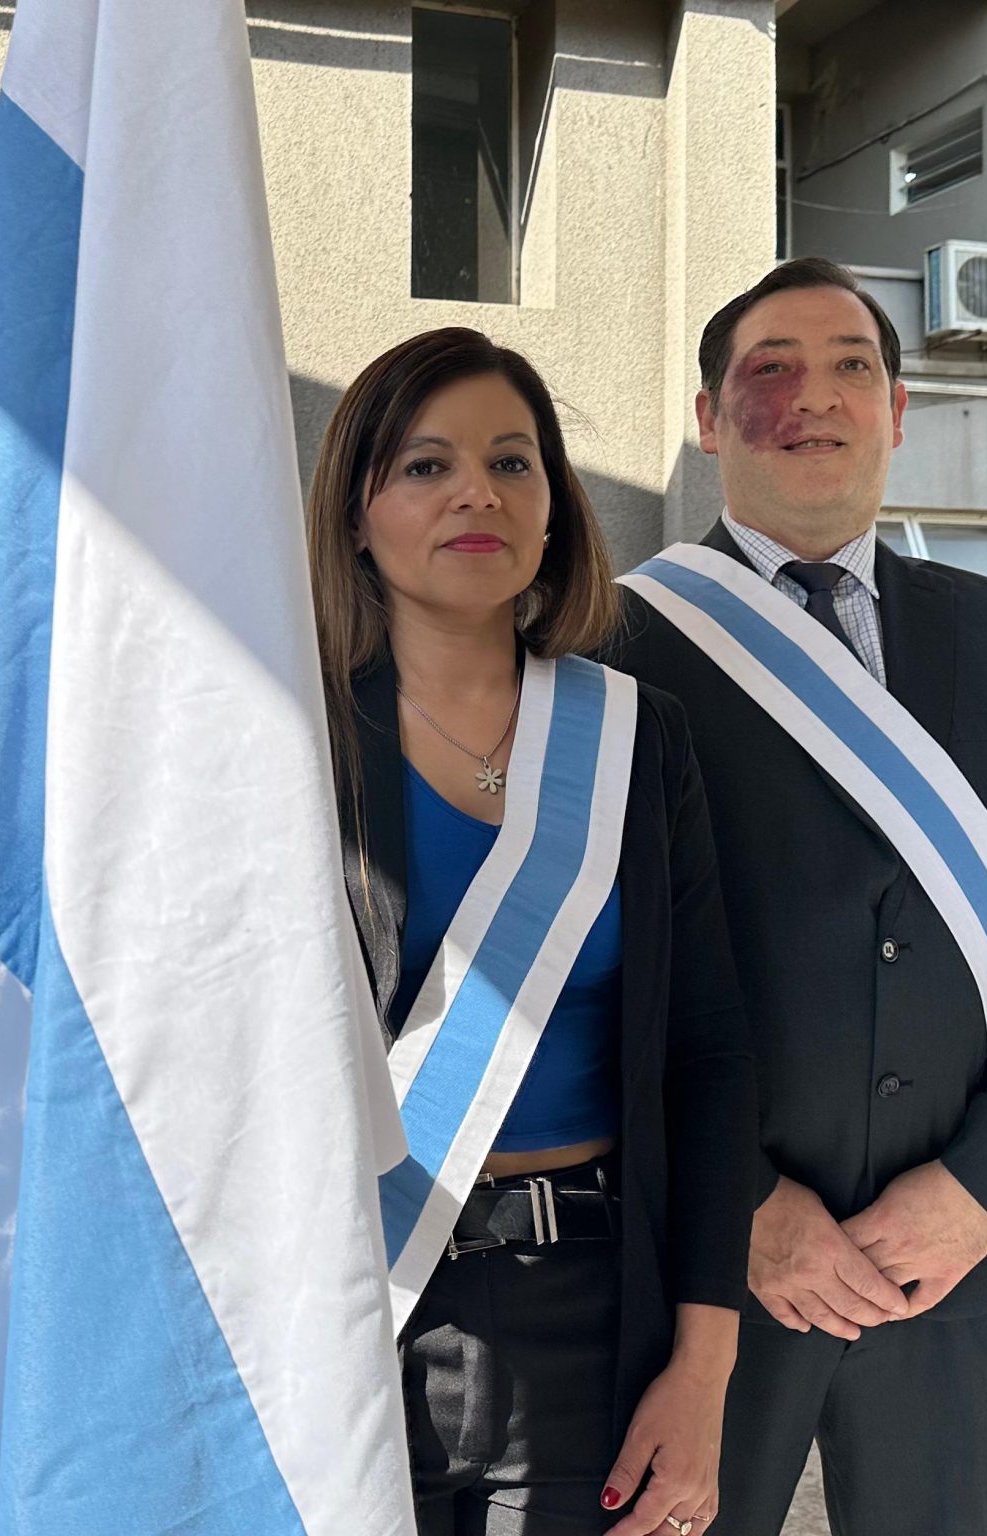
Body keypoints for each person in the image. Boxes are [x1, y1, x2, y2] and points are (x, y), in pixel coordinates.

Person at [611, 257, 987, 1535]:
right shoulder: (611, 647)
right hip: (705, 1281)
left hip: (951, 1275)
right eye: (771, 369)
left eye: (851, 366)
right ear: (707, 417)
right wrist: (737, 1208)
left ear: (896, 412)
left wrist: (983, 1191)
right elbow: (587, 971)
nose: (815, 396)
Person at [310, 327, 759, 1536]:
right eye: (425, 465)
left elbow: (709, 1057)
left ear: (553, 510)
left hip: (590, 1322)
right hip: (341, 1311)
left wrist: (702, 1372)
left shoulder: (635, 738)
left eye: (512, 462)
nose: (477, 492)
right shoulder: (284, 736)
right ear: (354, 514)